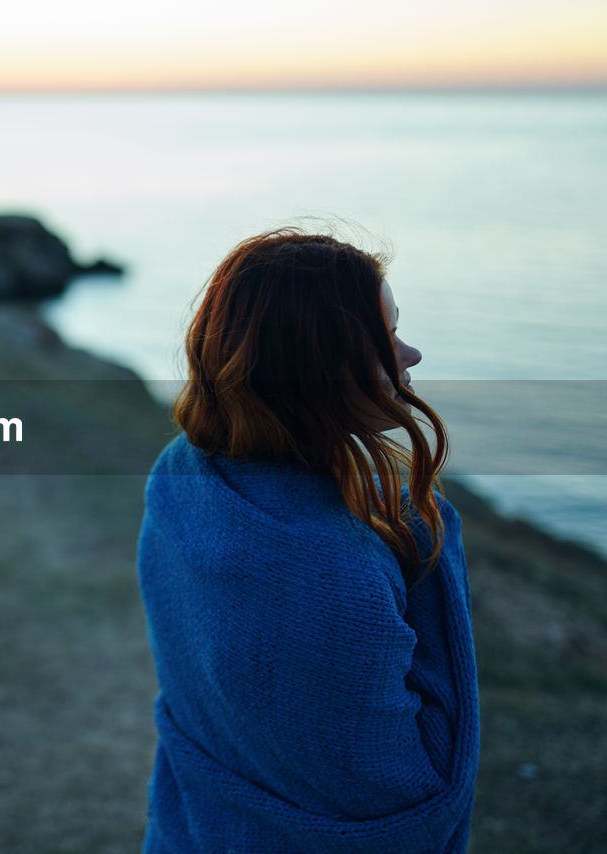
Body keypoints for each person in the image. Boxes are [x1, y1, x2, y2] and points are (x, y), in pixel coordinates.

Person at [137, 229, 479, 853]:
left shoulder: (181, 473)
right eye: (384, 341)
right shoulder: (337, 577)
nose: (411, 354)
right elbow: (416, 797)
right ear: (316, 367)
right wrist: (429, 532)